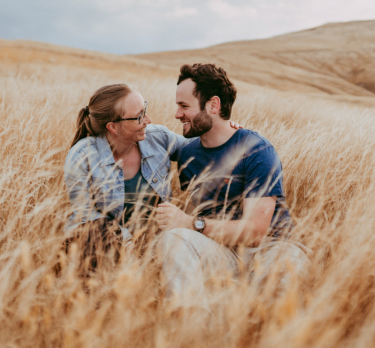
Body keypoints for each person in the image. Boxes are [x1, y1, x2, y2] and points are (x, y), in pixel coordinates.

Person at [155, 63, 312, 313]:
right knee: (173, 239)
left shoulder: (257, 150)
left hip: (273, 247)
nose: (176, 114)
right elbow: (141, 140)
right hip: (221, 250)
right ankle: (194, 332)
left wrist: (190, 223)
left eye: (184, 106)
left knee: (280, 284)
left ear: (213, 105)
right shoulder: (187, 154)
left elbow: (255, 233)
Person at [63, 83, 241, 273]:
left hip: (156, 245)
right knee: (94, 237)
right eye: (139, 116)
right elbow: (86, 214)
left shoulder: (158, 138)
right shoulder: (82, 157)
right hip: (103, 247)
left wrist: (224, 132)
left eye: (144, 110)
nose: (148, 119)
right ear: (113, 126)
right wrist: (124, 240)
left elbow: (201, 149)